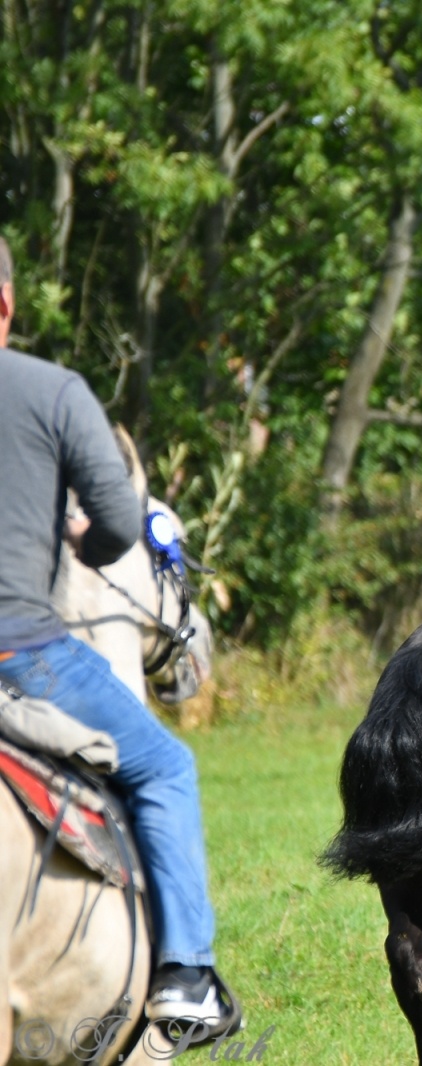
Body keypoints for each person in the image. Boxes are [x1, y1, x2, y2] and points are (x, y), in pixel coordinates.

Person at [0, 238, 236, 1024]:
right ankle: (186, 975)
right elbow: (121, 519)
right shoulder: (51, 390)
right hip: (22, 652)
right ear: (6, 303)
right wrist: (85, 545)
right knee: (166, 766)